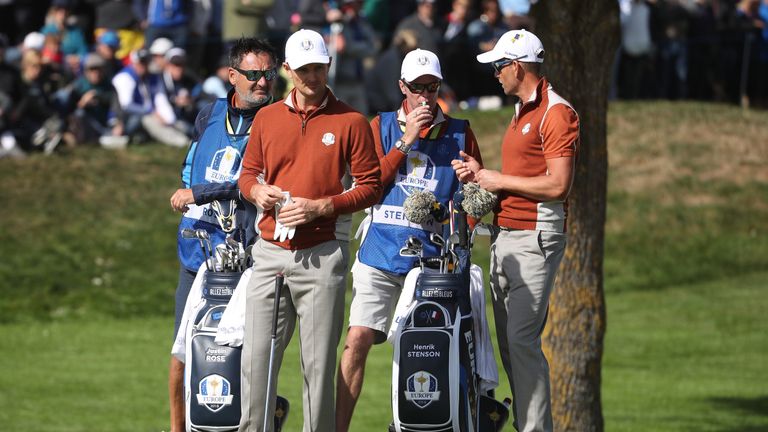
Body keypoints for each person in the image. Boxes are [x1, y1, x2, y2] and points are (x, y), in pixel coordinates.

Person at [237, 28, 382, 432]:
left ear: (328, 66)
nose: (311, 77)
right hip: (269, 253)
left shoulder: (351, 120)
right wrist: (257, 192)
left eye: (318, 68)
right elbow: (248, 174)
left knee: (317, 369)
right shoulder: (266, 118)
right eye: (303, 70)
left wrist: (323, 206)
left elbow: (370, 186)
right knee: (255, 361)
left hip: (321, 257)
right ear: (287, 70)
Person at [335, 48, 484, 432]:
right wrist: (406, 140)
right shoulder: (380, 125)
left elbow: (475, 199)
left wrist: (468, 197)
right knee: (356, 342)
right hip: (380, 252)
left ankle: (425, 422)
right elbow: (368, 186)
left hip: (433, 264)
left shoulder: (459, 131)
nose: (425, 96)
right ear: (402, 86)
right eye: (417, 87)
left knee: (427, 346)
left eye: (432, 87)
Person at [452, 29, 579, 432]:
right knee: (511, 346)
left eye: (499, 66)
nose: (495, 74)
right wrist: (481, 177)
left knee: (522, 342)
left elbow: (559, 185)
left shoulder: (556, 112)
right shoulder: (523, 110)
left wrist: (499, 180)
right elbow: (518, 175)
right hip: (507, 236)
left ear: (517, 66)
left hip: (536, 238)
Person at [168, 37, 280, 432]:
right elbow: (191, 165)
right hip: (197, 243)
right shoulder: (209, 114)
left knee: (247, 352)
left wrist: (198, 192)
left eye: (268, 74)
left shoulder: (278, 121)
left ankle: (261, 419)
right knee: (183, 348)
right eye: (253, 75)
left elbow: (251, 183)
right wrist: (191, 192)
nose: (262, 82)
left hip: (248, 252)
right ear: (233, 76)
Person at [111, 48, 188, 147]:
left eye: (146, 62)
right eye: (141, 63)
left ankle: (191, 137)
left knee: (174, 123)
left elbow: (160, 99)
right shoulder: (124, 77)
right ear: (134, 63)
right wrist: (151, 111)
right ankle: (181, 142)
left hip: (146, 114)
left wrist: (168, 119)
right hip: (123, 120)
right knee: (148, 119)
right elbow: (127, 106)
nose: (144, 66)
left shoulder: (150, 77)